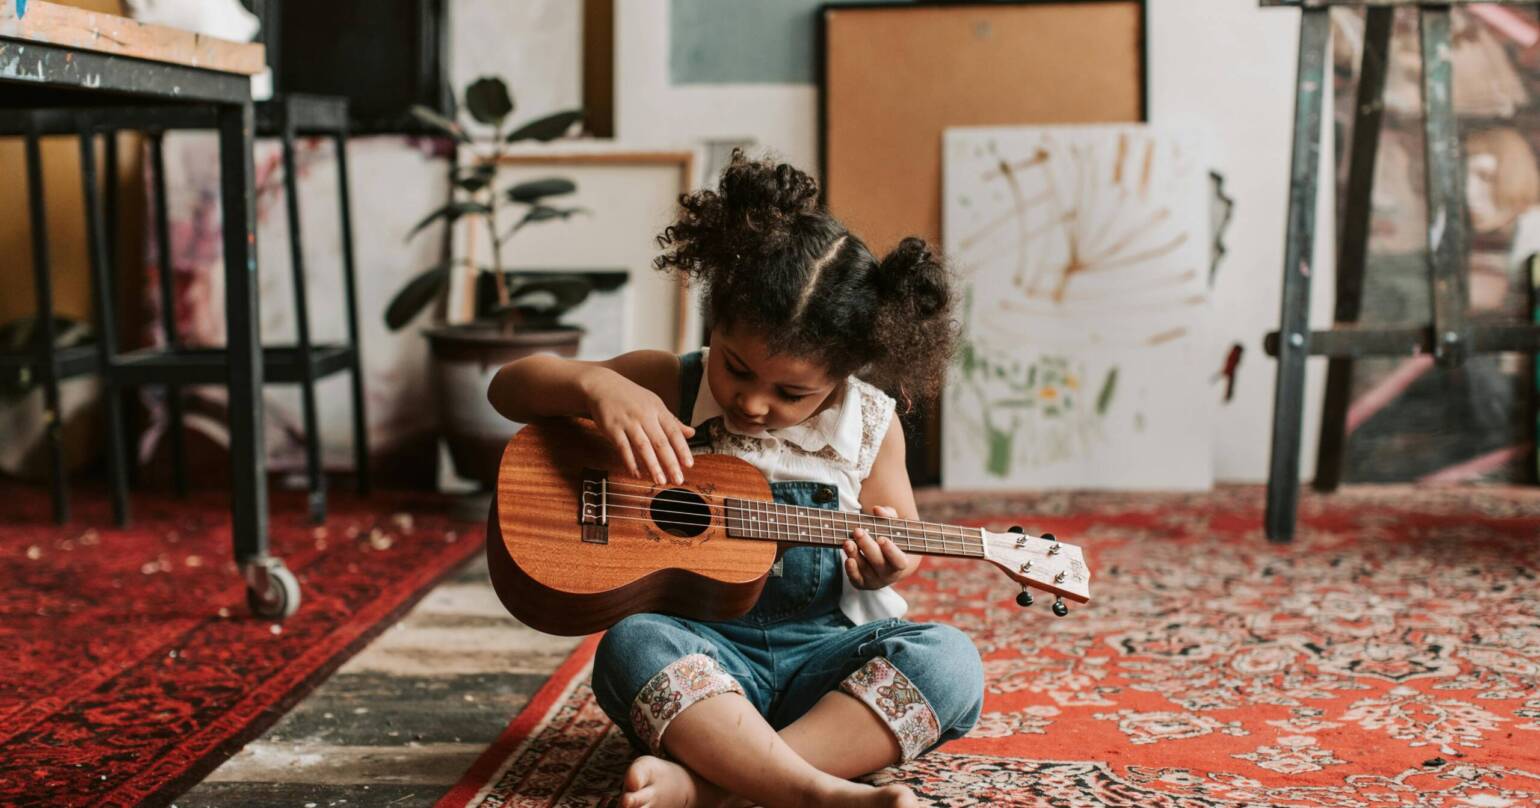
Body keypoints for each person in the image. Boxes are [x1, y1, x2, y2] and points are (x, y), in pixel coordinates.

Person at [488, 151, 983, 808]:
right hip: (705, 662)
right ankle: (814, 791)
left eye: (791, 393)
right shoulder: (671, 381)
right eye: (736, 368)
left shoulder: (869, 424)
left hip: (825, 666)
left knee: (951, 662)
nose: (752, 403)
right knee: (631, 644)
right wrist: (596, 386)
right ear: (714, 324)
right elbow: (507, 388)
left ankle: (711, 786)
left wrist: (888, 567)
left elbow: (903, 538)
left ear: (844, 374)